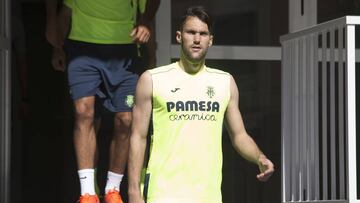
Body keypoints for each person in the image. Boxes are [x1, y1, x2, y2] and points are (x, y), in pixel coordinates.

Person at [128, 6, 275, 203]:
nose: (197, 39)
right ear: (179, 36)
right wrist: (134, 192)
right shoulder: (152, 79)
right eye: (191, 32)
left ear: (210, 40)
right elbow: (138, 136)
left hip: (208, 196)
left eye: (203, 34)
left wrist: (260, 158)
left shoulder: (225, 82)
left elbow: (239, 135)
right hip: (163, 194)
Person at [46, 0, 160, 203]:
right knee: (84, 113)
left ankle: (112, 189)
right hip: (82, 49)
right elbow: (65, 13)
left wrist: (146, 27)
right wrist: (57, 47)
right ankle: (88, 192)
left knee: (125, 120)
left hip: (125, 51)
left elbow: (151, 5)